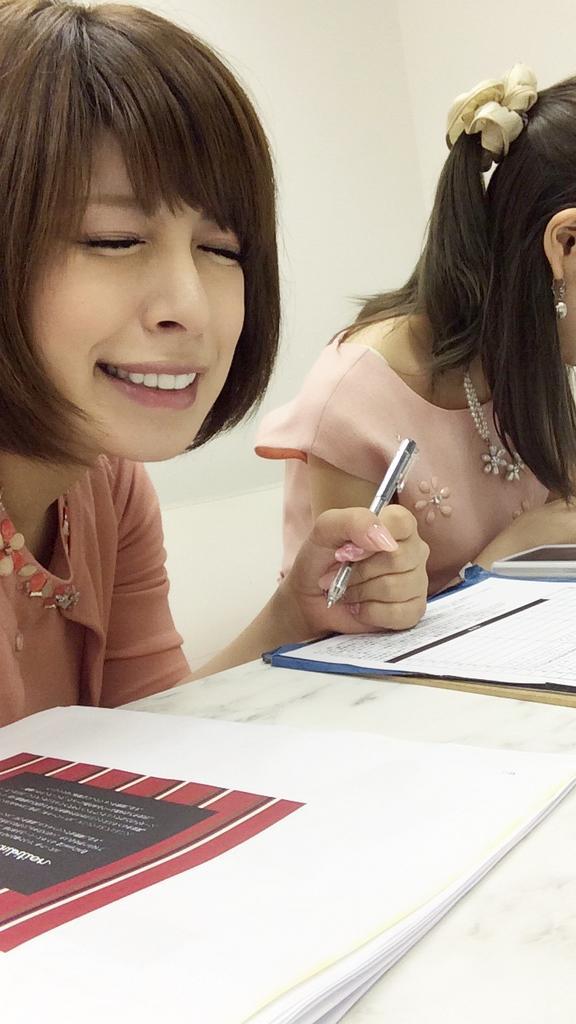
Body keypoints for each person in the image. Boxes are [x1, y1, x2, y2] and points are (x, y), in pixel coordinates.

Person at [0, 0, 428, 727]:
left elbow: (148, 729)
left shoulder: (107, 484)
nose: (191, 308)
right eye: (114, 239)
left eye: (221, 249)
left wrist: (298, 612)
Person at [256, 63, 576, 596]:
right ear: (564, 244)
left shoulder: (531, 352)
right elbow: (347, 619)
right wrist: (507, 553)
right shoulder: (355, 398)